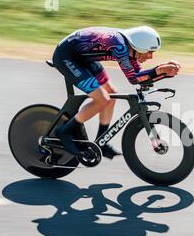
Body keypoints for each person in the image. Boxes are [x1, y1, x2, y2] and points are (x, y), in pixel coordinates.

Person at [52, 26, 181, 159]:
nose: (151, 56)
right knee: (102, 99)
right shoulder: (119, 47)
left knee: (111, 93)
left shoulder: (130, 46)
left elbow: (140, 77)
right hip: (66, 57)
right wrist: (160, 70)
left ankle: (101, 142)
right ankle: (64, 131)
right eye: (149, 52)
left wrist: (165, 73)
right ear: (140, 47)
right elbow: (133, 79)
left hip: (83, 59)